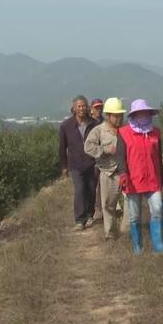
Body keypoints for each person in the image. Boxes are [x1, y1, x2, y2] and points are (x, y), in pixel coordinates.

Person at [116, 99, 163, 255]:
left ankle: (159, 246)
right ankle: (137, 247)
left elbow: (158, 157)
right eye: (141, 113)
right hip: (133, 180)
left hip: (153, 179)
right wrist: (122, 173)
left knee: (157, 209)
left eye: (146, 113)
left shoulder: (155, 132)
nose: (144, 115)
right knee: (134, 216)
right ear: (134, 115)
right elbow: (120, 157)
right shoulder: (124, 133)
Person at [84, 98, 126, 240]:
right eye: (116, 115)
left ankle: (126, 231)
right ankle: (110, 234)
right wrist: (105, 149)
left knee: (129, 203)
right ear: (108, 115)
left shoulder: (126, 131)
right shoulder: (99, 130)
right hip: (108, 172)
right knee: (108, 205)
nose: (119, 118)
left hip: (125, 172)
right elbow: (88, 146)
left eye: (121, 115)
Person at [59, 95, 100, 231]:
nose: (81, 108)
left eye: (84, 106)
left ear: (87, 107)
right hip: (75, 164)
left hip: (92, 163)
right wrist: (64, 166)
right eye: (79, 106)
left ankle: (89, 215)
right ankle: (79, 219)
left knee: (91, 190)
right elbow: (62, 147)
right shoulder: (66, 126)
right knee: (79, 190)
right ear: (74, 108)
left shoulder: (94, 124)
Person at [90, 98, 105, 223]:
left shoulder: (105, 122)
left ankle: (99, 210)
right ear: (92, 108)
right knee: (91, 185)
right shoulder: (88, 123)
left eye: (100, 107)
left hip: (102, 158)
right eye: (96, 107)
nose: (98, 109)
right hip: (90, 159)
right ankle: (90, 210)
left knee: (101, 185)